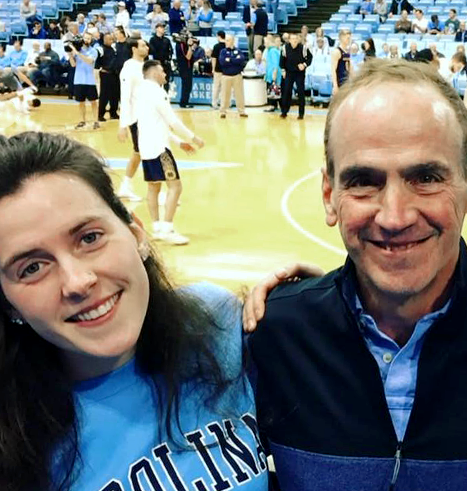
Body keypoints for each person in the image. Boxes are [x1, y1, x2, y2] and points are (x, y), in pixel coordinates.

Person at [245, 59, 467, 490]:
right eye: (364, 181)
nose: (394, 216)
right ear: (330, 196)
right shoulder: (271, 338)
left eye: (425, 177)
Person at [0, 132, 267, 491]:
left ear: (136, 233)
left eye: (89, 238)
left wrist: (322, 303)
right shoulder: (14, 441)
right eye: (32, 267)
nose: (78, 282)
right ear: (6, 302)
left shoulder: (217, 322)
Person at [136, 60, 205, 244]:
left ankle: (157, 228)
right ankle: (168, 228)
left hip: (145, 146)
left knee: (153, 186)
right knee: (175, 186)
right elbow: (172, 121)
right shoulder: (157, 92)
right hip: (159, 148)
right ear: (154, 73)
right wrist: (193, 138)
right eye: (162, 71)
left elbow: (155, 123)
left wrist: (178, 142)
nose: (165, 74)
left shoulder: (140, 91)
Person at [117, 37, 149, 202]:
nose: (147, 47)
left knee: (140, 153)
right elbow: (125, 96)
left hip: (149, 116)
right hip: (137, 117)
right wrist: (123, 124)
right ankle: (153, 191)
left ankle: (125, 186)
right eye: (143, 45)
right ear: (134, 49)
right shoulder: (129, 68)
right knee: (144, 152)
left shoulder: (146, 66)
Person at [68, 32, 100, 130]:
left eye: (88, 39)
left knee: (93, 102)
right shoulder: (77, 50)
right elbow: (73, 65)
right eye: (85, 38)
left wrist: (77, 53)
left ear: (91, 40)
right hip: (78, 80)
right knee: (81, 102)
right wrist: (70, 55)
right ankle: (82, 120)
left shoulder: (93, 51)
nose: (86, 40)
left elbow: (89, 61)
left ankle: (96, 121)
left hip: (90, 81)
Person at [279, 32, 312, 119]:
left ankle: (301, 114)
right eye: (293, 39)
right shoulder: (285, 48)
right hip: (289, 72)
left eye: (296, 39)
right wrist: (283, 70)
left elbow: (310, 58)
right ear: (289, 40)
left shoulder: (303, 48)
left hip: (299, 73)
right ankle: (284, 112)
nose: (294, 40)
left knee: (301, 93)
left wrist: (304, 65)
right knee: (286, 92)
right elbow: (281, 60)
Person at [218, 34, 248, 119]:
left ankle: (241, 111)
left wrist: (230, 60)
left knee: (239, 95)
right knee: (225, 95)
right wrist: (234, 60)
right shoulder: (223, 51)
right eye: (226, 40)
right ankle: (223, 112)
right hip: (226, 76)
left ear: (232, 41)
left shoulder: (238, 51)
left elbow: (241, 60)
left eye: (228, 40)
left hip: (237, 76)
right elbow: (222, 62)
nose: (226, 42)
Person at [96, 32, 120, 122]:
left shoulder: (114, 49)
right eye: (109, 39)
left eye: (112, 39)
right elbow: (97, 62)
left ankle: (113, 113)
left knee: (115, 95)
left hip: (114, 74)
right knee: (104, 95)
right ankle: (100, 114)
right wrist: (101, 69)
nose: (111, 40)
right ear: (105, 39)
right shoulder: (100, 49)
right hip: (105, 74)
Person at [148, 22, 173, 90]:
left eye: (163, 28)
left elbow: (170, 51)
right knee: (156, 82)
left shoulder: (167, 40)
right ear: (157, 29)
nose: (163, 29)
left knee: (166, 82)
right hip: (157, 63)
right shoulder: (152, 40)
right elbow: (151, 52)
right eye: (161, 27)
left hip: (166, 63)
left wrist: (169, 58)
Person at [176, 36, 197, 109]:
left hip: (189, 67)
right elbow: (188, 56)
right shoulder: (181, 45)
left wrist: (193, 47)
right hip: (184, 67)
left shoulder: (185, 44)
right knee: (186, 85)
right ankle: (183, 103)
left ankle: (185, 102)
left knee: (188, 85)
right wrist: (191, 46)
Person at [331, 28, 352, 94]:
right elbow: (333, 70)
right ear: (341, 38)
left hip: (346, 83)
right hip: (339, 83)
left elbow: (349, 68)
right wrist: (335, 86)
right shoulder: (337, 52)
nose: (349, 40)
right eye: (347, 38)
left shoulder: (347, 51)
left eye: (350, 38)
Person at [210, 29, 226, 109]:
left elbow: (214, 58)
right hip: (226, 71)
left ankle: (214, 103)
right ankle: (225, 103)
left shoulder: (216, 46)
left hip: (218, 70)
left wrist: (213, 68)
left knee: (216, 87)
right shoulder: (227, 46)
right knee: (225, 88)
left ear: (219, 36)